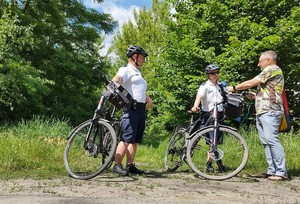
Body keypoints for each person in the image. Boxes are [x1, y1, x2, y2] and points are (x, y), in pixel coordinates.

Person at [227, 50, 288, 181]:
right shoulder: (271, 72)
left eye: (260, 61)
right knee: (266, 142)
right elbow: (270, 91)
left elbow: (251, 83)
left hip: (270, 110)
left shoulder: (272, 69)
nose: (258, 64)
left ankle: (281, 171)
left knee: (272, 140)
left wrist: (232, 88)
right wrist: (255, 96)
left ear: (268, 60)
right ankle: (272, 170)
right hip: (263, 110)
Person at [111, 45, 152, 176]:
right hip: (131, 109)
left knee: (135, 140)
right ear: (135, 57)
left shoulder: (137, 72)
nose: (143, 60)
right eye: (142, 57)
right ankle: (117, 165)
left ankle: (130, 165)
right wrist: (111, 89)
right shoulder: (126, 69)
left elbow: (136, 90)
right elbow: (117, 80)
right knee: (126, 138)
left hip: (140, 110)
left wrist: (147, 98)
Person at [190, 64, 226, 172]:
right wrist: (195, 106)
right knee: (211, 141)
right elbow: (199, 97)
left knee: (216, 141)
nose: (215, 75)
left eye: (216, 72)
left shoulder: (220, 86)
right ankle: (211, 164)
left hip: (219, 114)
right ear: (208, 75)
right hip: (208, 115)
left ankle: (215, 162)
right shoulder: (205, 86)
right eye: (212, 73)